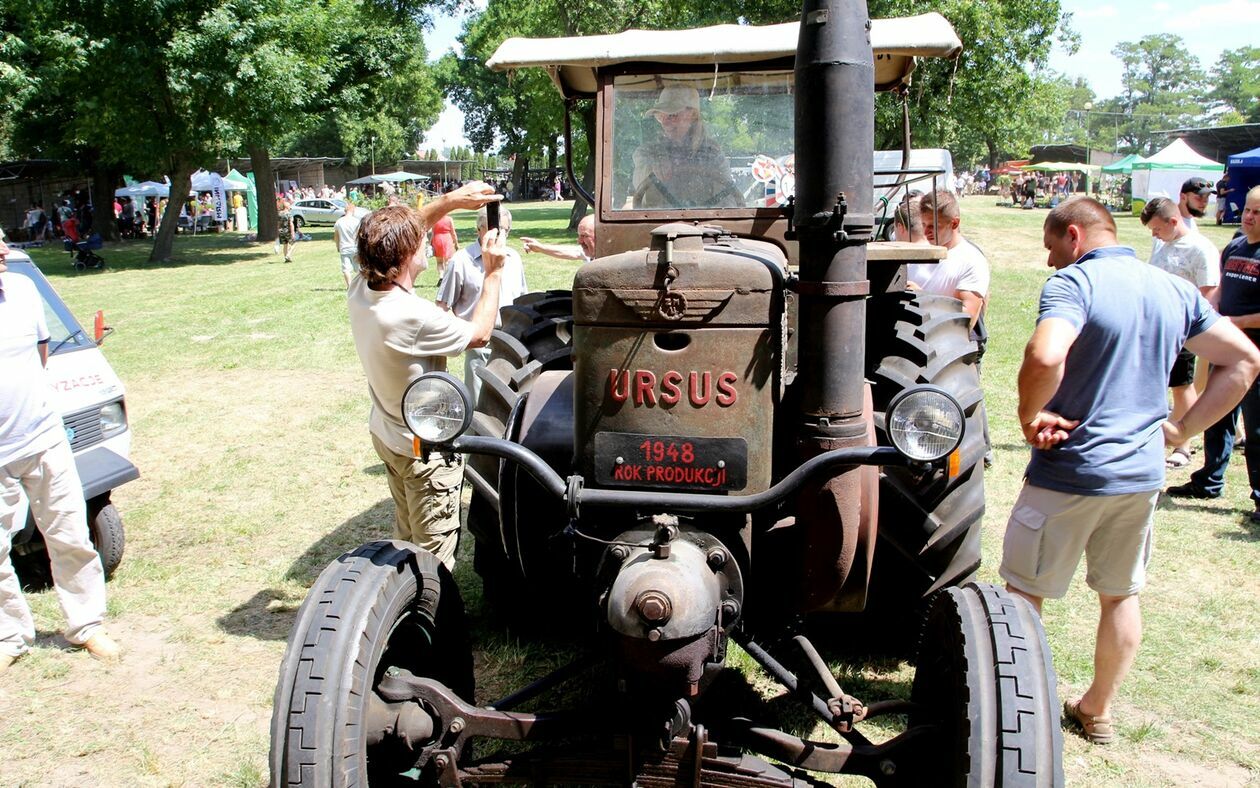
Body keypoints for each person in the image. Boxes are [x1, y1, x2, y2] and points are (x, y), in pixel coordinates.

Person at [1004, 197, 1258, 745]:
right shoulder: (1174, 288)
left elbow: (1046, 357)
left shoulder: (1075, 285)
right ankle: (1097, 710)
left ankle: (1021, 714)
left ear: (1073, 235)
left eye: (1052, 249)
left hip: (1068, 471)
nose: (1051, 262)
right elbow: (1243, 359)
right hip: (1141, 476)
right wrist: (1182, 431)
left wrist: (1029, 418)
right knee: (1120, 594)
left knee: (1022, 594)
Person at [347, 183, 503, 570]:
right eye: (419, 242)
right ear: (407, 256)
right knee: (434, 554)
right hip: (423, 451)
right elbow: (480, 333)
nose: (427, 242)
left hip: (388, 434)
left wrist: (451, 201)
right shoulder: (413, 316)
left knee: (408, 532)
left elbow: (398, 233)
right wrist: (494, 272)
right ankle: (430, 613)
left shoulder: (360, 289)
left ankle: (401, 588)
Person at [0, 238, 121, 673]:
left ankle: (86, 624)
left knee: (69, 532)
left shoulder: (22, 289)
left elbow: (41, 354)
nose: (2, 250)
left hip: (43, 435)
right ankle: (9, 636)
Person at [1166, 186, 1260, 517]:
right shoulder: (1235, 246)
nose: (1248, 217)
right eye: (1247, 210)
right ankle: (1209, 480)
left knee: (1256, 426)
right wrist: (1213, 308)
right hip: (1227, 349)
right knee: (1217, 416)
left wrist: (1236, 321)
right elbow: (1221, 288)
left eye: (1257, 213)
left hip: (1253, 354)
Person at [1140, 197, 1221, 468]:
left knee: (1181, 386)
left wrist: (1186, 329)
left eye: (1157, 229)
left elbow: (1208, 295)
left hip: (1183, 331)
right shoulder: (1164, 244)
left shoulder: (1200, 249)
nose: (1154, 234)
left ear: (1173, 221)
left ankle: (1183, 445)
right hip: (1156, 328)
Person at [436, 205, 529, 402]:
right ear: (479, 229)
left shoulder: (514, 258)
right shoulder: (461, 261)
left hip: (511, 342)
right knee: (478, 404)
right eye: (491, 228)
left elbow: (522, 298)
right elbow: (442, 308)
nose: (497, 234)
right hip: (479, 346)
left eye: (503, 229)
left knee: (510, 402)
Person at [631, 85, 742, 209]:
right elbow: (639, 182)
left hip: (706, 224)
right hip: (660, 226)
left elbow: (728, 200)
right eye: (661, 117)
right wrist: (652, 167)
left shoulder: (713, 155)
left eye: (672, 115)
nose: (665, 123)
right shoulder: (648, 153)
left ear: (693, 115)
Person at [521, 214, 596, 263]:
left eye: (585, 236)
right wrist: (540, 248)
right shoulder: (592, 251)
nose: (579, 241)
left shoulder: (607, 259)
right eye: (579, 235)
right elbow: (573, 252)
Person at [333, 202, 364, 289]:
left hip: (344, 248)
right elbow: (360, 235)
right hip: (355, 248)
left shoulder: (339, 222)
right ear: (353, 210)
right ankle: (359, 285)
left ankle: (349, 286)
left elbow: (336, 236)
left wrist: (337, 246)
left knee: (346, 269)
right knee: (358, 269)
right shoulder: (356, 221)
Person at [429, 214, 459, 281]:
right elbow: (453, 232)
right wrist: (456, 243)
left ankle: (441, 276)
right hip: (447, 239)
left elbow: (433, 233)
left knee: (439, 262)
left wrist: (430, 243)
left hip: (437, 239)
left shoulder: (435, 219)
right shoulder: (449, 219)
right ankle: (447, 277)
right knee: (448, 260)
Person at [277, 198, 296, 263]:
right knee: (293, 244)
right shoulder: (288, 214)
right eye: (289, 206)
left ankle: (286, 258)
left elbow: (278, 224)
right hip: (287, 231)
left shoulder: (279, 214)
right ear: (287, 207)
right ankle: (288, 255)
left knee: (285, 245)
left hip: (281, 231)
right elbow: (291, 224)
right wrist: (293, 233)